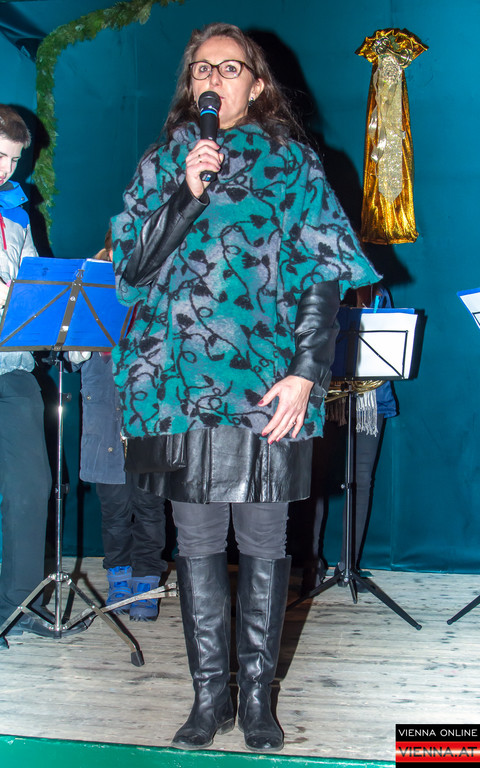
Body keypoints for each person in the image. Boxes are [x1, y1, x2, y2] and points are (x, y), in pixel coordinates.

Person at [111, 23, 379, 752]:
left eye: (230, 68)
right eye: (202, 68)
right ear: (189, 84)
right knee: (196, 537)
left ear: (257, 85)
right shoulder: (164, 162)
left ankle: (257, 699)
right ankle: (209, 698)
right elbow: (130, 271)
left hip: (265, 380)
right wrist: (185, 193)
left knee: (264, 535)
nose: (213, 78)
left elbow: (324, 275)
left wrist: (306, 374)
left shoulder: (292, 163)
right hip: (175, 383)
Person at [70, 233, 168, 621]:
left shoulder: (158, 289)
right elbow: (73, 355)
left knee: (149, 508)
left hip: (147, 420)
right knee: (114, 510)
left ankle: (147, 583)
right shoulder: (90, 292)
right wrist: (85, 333)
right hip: (104, 423)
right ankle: (119, 580)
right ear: (109, 251)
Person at [303, 283, 399, 591]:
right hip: (325, 397)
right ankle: (311, 563)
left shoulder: (378, 292)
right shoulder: (319, 286)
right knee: (316, 480)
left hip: (369, 399)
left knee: (361, 481)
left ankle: (349, 565)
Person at [0, 105, 53, 637]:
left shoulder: (17, 214)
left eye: (13, 160)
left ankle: (19, 605)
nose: (5, 169)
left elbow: (36, 283)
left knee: (31, 486)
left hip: (11, 368)